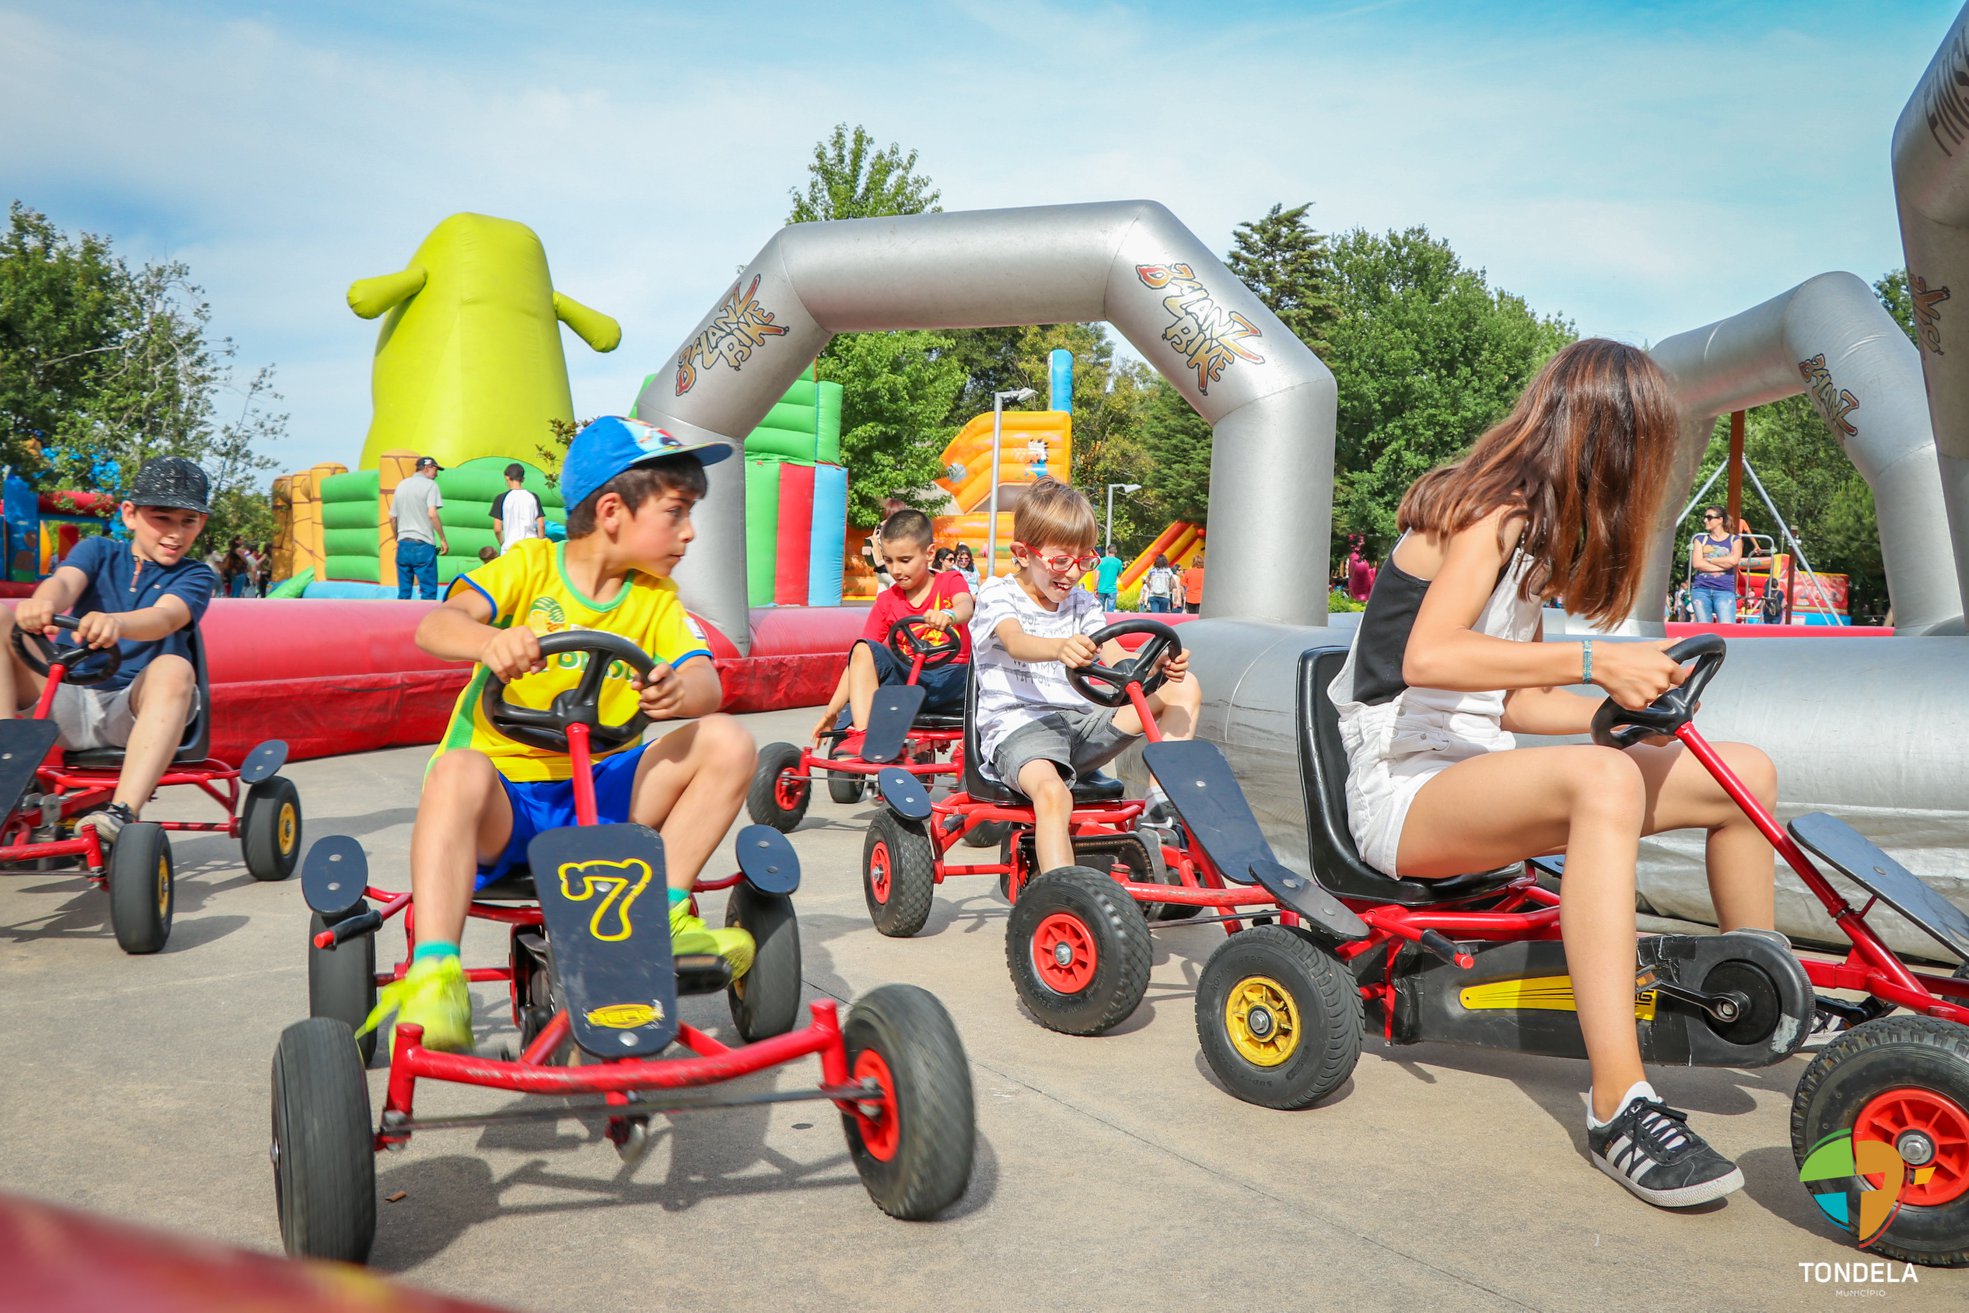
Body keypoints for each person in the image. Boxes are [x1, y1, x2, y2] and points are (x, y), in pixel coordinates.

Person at [1326, 340, 1781, 1209]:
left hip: (1471, 772)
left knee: (1741, 773)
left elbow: (1516, 704)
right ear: (1607, 440)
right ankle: (1618, 1100)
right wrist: (1598, 660)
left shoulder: (1529, 543)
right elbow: (1427, 657)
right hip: (1401, 791)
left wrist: (1626, 712)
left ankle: (1753, 998)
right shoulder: (1482, 514)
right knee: (1603, 784)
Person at [358, 417, 757, 1054]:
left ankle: (664, 915)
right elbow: (437, 626)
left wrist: (685, 692)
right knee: (456, 770)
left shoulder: (654, 599)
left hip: (601, 798)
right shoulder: (529, 567)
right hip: (507, 800)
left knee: (728, 741)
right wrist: (490, 640)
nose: (689, 533)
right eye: (677, 512)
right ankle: (435, 972)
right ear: (611, 511)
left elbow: (706, 678)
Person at [968, 478, 1201, 877]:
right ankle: (1063, 893)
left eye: (1084, 560)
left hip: (1080, 729)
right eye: (1061, 561)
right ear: (1023, 554)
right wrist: (1059, 647)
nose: (1073, 573)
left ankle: (1161, 811)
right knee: (1054, 793)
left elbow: (1117, 660)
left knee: (1185, 687)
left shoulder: (1082, 601)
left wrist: (1158, 667)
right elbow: (1016, 640)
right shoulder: (997, 594)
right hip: (1020, 730)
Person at [0, 457, 216, 849]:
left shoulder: (195, 575)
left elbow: (165, 616)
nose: (175, 533)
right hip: (65, 695)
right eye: (162, 518)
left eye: (188, 521)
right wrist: (41, 603)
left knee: (173, 667)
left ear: (200, 524)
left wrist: (118, 622)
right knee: (0, 617)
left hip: (129, 711)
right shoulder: (97, 551)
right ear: (130, 515)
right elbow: (64, 583)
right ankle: (6, 765)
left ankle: (120, 812)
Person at [810, 509, 973, 753]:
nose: (895, 570)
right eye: (889, 560)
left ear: (929, 554)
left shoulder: (949, 581)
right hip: (908, 681)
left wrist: (949, 615)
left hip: (952, 680)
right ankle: (864, 736)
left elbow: (966, 606)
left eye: (904, 560)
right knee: (864, 648)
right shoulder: (887, 600)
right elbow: (859, 660)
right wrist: (832, 711)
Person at [392, 455, 448, 600]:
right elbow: (432, 514)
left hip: (403, 544)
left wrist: (397, 538)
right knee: (428, 592)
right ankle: (426, 622)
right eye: (436, 470)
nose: (436, 474)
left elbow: (392, 517)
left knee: (404, 593)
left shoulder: (401, 485)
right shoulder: (431, 486)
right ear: (427, 468)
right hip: (423, 544)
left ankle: (400, 621)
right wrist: (442, 539)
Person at [1687, 506, 1742, 625]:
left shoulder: (1735, 540)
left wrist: (1709, 559)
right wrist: (1723, 565)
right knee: (1703, 630)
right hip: (1701, 589)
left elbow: (1734, 561)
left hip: (1724, 590)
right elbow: (1697, 563)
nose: (1705, 520)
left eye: (1709, 517)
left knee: (1727, 628)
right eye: (1705, 517)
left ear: (1720, 520)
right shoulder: (1700, 539)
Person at [491, 462, 546, 555]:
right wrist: (540, 543)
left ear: (507, 477)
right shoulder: (533, 497)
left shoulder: (501, 498)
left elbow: (497, 529)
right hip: (531, 548)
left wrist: (502, 544)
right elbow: (541, 525)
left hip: (510, 548)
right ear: (523, 479)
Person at [1346, 534, 1377, 602]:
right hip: (1364, 594)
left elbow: (1351, 576)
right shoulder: (1358, 560)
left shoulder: (1354, 558)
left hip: (1360, 594)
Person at [1093, 545, 1124, 613]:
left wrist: (1095, 588)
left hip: (1101, 589)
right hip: (1112, 589)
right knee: (1111, 611)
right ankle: (1110, 622)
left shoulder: (1101, 561)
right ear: (1116, 551)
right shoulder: (1118, 562)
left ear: (1107, 551)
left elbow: (1097, 576)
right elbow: (1120, 574)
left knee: (1100, 610)